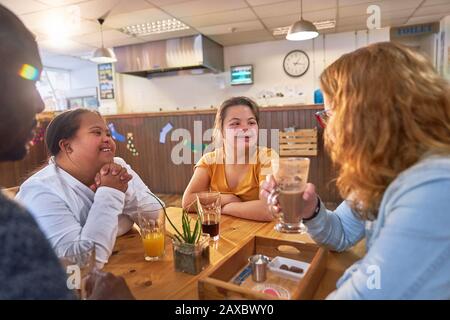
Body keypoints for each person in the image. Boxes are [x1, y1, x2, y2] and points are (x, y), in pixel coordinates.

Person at [261, 42, 450, 299]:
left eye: (330, 114)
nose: (328, 130)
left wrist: (357, 272)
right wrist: (312, 210)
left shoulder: (434, 188)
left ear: (365, 115)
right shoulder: (384, 171)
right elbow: (342, 233)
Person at [0, 4, 133, 299]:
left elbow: (143, 216)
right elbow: (84, 259)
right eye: (26, 81)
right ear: (66, 145)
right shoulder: (14, 217)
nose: (39, 104)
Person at [17, 108, 163, 267]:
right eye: (96, 133)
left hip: (122, 261)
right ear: (67, 146)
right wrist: (111, 192)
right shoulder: (41, 191)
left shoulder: (116, 167)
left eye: (108, 134)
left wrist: (123, 188)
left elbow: (156, 218)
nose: (107, 139)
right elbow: (81, 263)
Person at [183, 96, 277, 221]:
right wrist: (226, 198)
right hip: (225, 232)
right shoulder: (209, 160)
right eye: (235, 123)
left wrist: (224, 207)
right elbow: (188, 202)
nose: (245, 128)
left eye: (251, 122)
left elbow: (268, 210)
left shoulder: (267, 158)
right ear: (221, 130)